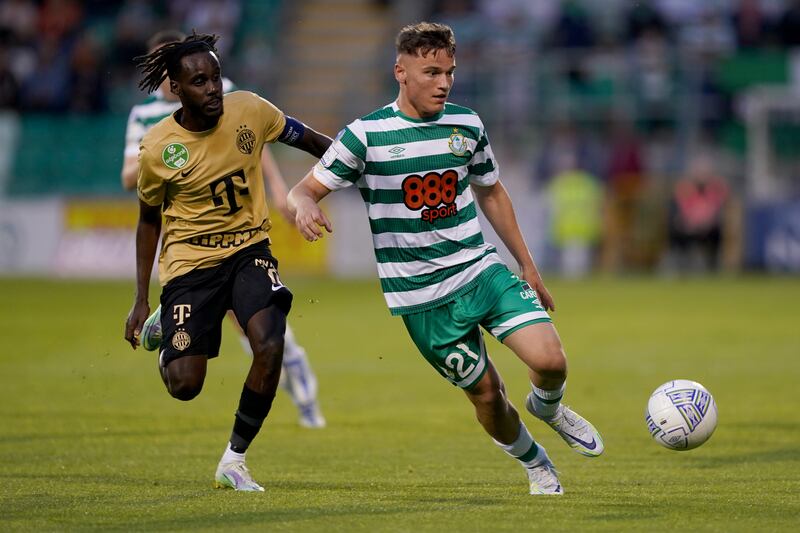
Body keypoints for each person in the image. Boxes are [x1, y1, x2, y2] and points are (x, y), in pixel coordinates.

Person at [288, 22, 603, 495]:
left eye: (449, 72)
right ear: (401, 71)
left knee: (551, 360)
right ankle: (536, 464)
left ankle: (549, 406)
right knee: (488, 395)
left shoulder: (467, 125)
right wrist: (306, 204)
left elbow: (491, 191)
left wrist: (527, 264)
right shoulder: (365, 136)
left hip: (478, 270)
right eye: (431, 72)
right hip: (421, 300)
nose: (443, 83)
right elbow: (302, 189)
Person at [123, 32, 332, 492]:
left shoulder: (250, 109)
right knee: (185, 385)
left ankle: (234, 460)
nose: (213, 88)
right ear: (176, 88)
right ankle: (168, 332)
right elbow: (147, 222)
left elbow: (314, 141)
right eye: (200, 81)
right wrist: (141, 299)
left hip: (249, 250)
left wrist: (364, 165)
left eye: (216, 77)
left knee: (271, 343)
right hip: (189, 265)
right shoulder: (159, 148)